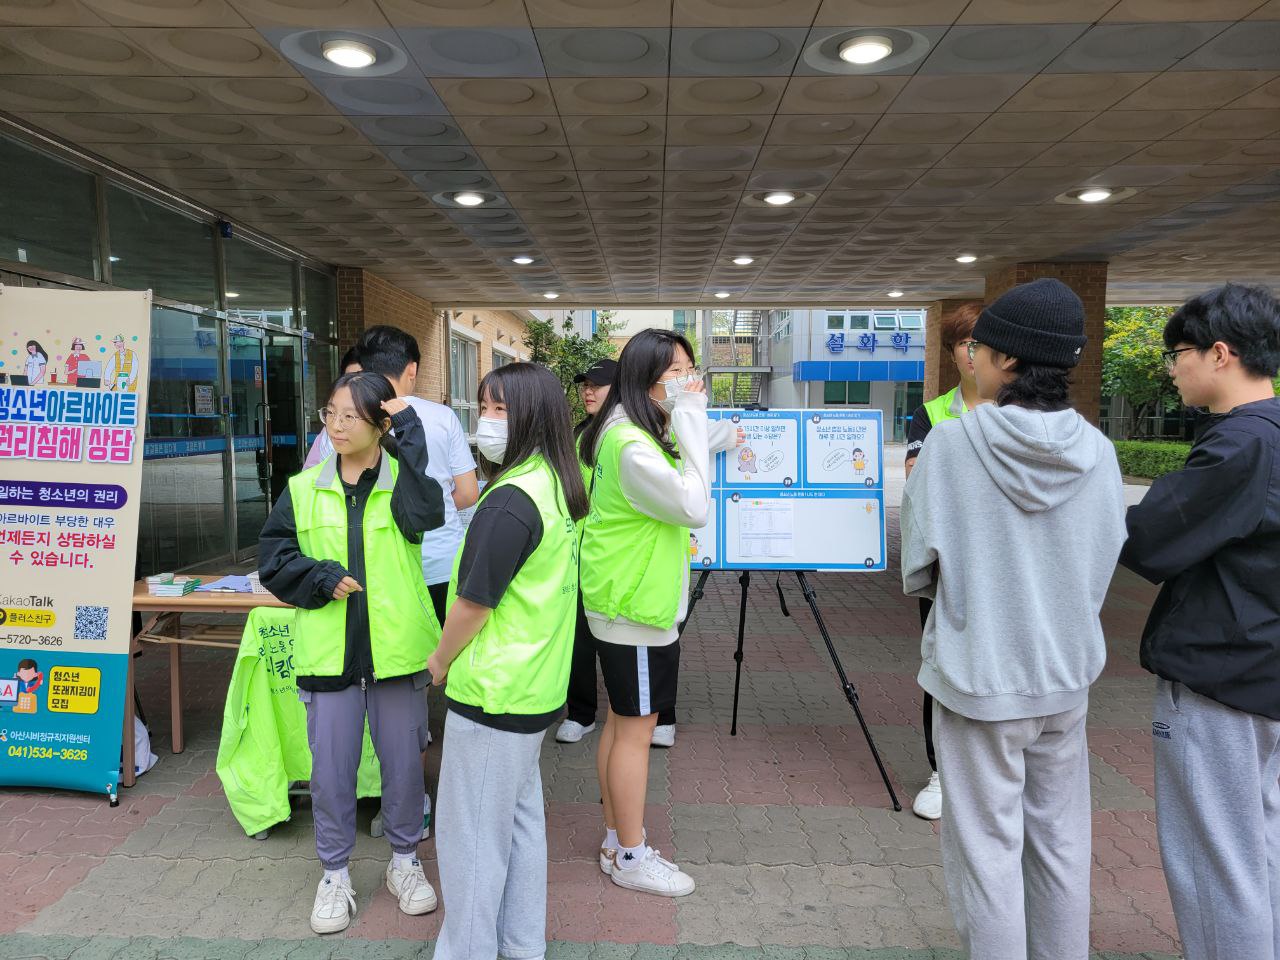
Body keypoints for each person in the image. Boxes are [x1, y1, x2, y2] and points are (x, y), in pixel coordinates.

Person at [901, 278, 1126, 959]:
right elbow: (1109, 558)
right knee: (1060, 844)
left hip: (978, 677)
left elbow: (919, 567)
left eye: (979, 350)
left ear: (1002, 360)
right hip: (1064, 679)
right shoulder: (1102, 453)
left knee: (987, 855)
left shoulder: (952, 445)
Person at [1118, 283, 1280, 960]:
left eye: (1178, 353)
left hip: (1220, 677)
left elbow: (1150, 538)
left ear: (1220, 354)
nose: (1171, 369)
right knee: (1260, 847)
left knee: (1216, 864)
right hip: (1264, 673)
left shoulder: (1238, 446)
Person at [258, 371, 446, 935]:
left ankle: (405, 862)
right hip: (328, 656)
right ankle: (334, 873)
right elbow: (273, 559)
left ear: (379, 425)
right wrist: (317, 577)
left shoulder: (405, 486)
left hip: (397, 653)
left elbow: (428, 514)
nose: (336, 427)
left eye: (350, 417)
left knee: (404, 771)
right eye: (330, 414)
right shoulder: (302, 487)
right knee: (332, 774)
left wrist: (408, 430)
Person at [427, 362, 589, 960]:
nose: (488, 421)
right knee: (520, 825)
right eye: (485, 408)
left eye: (501, 410)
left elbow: (472, 603)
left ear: (533, 417)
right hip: (535, 689)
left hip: (494, 691)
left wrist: (440, 662)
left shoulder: (510, 499)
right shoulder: (555, 482)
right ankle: (521, 946)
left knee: (472, 841)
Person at [305, 327, 478, 838]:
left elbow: (314, 491)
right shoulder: (439, 417)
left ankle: (393, 799)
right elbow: (466, 494)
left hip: (362, 577)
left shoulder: (338, 419)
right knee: (423, 677)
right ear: (410, 371)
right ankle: (423, 791)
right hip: (438, 568)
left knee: (372, 680)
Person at [578, 328, 710, 897]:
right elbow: (694, 505)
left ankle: (616, 839)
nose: (688, 381)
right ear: (646, 378)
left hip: (627, 598)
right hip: (633, 604)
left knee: (623, 725)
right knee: (636, 729)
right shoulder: (630, 443)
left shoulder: (625, 429)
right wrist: (694, 418)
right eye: (676, 372)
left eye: (689, 368)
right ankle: (631, 854)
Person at [558, 359, 742, 750]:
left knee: (650, 665)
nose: (589, 392)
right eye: (584, 385)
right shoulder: (589, 438)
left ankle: (662, 716)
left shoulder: (647, 436)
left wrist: (704, 423)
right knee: (585, 645)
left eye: (598, 384)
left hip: (637, 572)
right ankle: (581, 713)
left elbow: (719, 438)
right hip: (591, 560)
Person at [902, 301, 983, 822]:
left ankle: (991, 772)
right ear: (952, 352)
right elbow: (917, 485)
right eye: (966, 344)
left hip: (1009, 570)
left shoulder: (1031, 415)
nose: (976, 355)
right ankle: (941, 771)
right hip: (948, 568)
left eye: (986, 345)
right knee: (940, 665)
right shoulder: (932, 414)